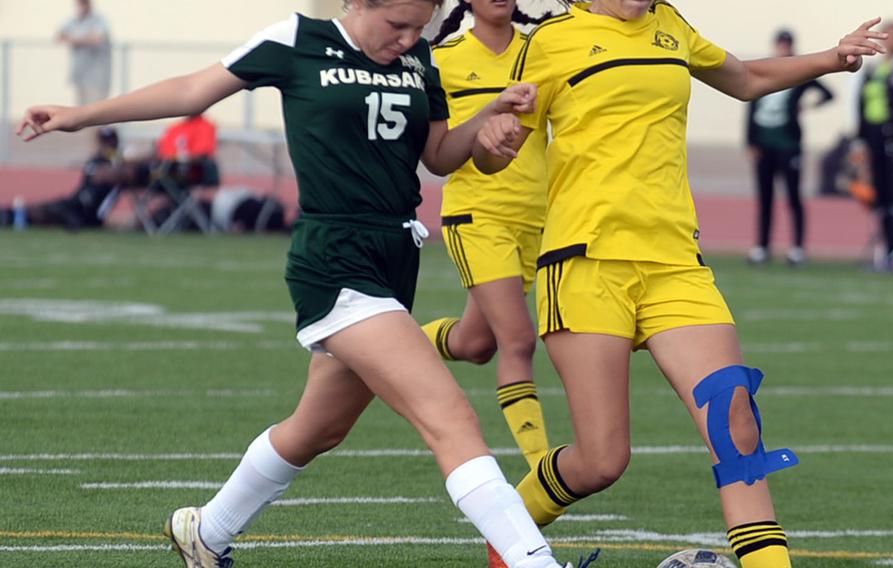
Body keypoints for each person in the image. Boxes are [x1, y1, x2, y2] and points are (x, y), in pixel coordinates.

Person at [18, 2, 593, 568]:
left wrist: (488, 133)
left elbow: (439, 157)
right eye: (397, 24)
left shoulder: (419, 56)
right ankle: (534, 562)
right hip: (334, 260)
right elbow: (193, 90)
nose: (408, 38)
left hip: (396, 258)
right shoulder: (296, 40)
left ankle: (206, 532)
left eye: (420, 26)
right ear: (358, 3)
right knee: (451, 418)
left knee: (317, 429)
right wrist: (79, 115)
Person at [473, 2, 886, 567]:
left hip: (675, 265)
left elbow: (744, 79)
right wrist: (490, 141)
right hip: (586, 265)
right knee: (601, 460)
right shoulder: (551, 39)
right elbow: (502, 149)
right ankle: (506, 545)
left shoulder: (670, 24)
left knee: (736, 424)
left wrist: (832, 59)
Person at [421, 0, 555, 480]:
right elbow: (437, 145)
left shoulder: (543, 49)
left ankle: (401, 346)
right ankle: (544, 471)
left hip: (539, 220)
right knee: (518, 341)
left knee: (477, 343)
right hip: (479, 217)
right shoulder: (442, 57)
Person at [746, 30, 834, 266]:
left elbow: (828, 93)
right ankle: (762, 247)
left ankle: (797, 248)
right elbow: (749, 102)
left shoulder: (800, 70)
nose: (783, 48)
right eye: (780, 44)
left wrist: (807, 106)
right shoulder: (765, 68)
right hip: (764, 144)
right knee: (765, 198)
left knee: (793, 196)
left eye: (787, 44)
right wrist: (750, 141)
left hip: (788, 143)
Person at [856, 21, 893, 272]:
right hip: (874, 142)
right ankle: (886, 251)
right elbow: (862, 107)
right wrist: (860, 142)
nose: (889, 40)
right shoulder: (873, 71)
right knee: (881, 199)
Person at [0, 126, 120, 230]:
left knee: (50, 210)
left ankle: (12, 216)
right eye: (104, 141)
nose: (106, 145)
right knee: (47, 208)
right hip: (76, 205)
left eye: (109, 141)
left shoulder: (116, 166)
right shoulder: (95, 161)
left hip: (85, 213)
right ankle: (10, 215)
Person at [57, 0, 112, 105]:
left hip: (97, 79)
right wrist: (81, 39)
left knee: (96, 113)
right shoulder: (75, 20)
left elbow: (97, 39)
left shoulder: (99, 20)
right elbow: (59, 35)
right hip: (81, 76)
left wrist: (75, 39)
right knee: (81, 112)